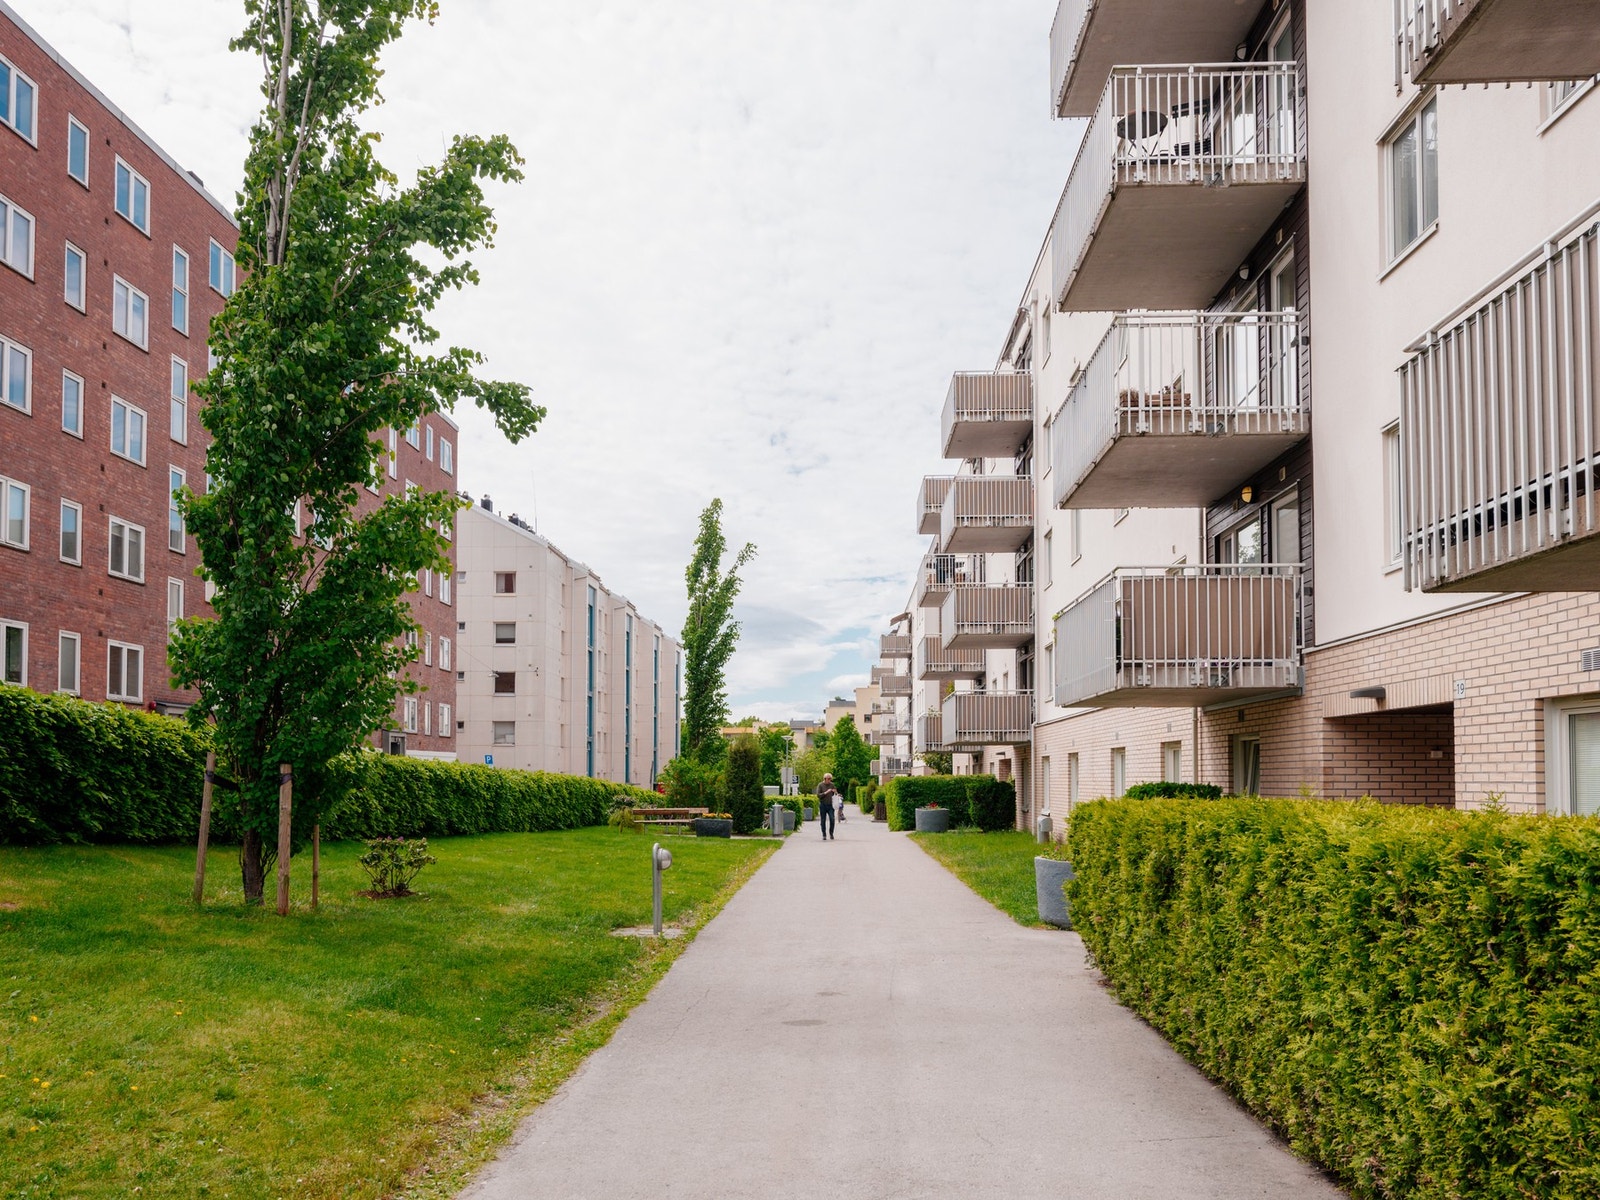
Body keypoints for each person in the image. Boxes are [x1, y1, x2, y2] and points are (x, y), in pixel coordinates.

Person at [816, 773, 838, 841]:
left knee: (832, 819)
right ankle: (824, 834)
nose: (829, 780)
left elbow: (836, 793)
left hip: (831, 805)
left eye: (830, 779)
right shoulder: (820, 785)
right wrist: (826, 792)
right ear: (824, 779)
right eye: (828, 779)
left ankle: (831, 833)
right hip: (823, 805)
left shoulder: (832, 785)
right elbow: (818, 795)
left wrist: (835, 792)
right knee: (823, 820)